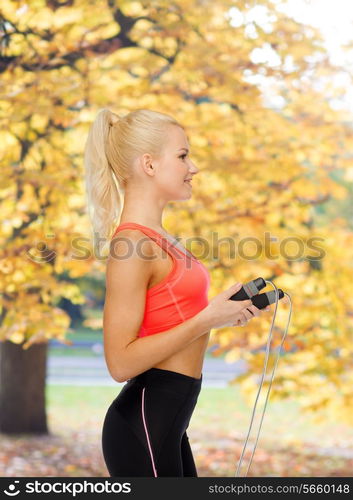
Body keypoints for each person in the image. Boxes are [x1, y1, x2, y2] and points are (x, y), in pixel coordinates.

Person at [83, 108, 270, 477]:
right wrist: (206, 319)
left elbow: (174, 319)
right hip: (143, 425)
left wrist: (223, 313)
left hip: (167, 426)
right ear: (149, 165)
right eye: (183, 156)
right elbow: (119, 363)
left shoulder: (162, 239)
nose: (193, 167)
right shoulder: (132, 244)